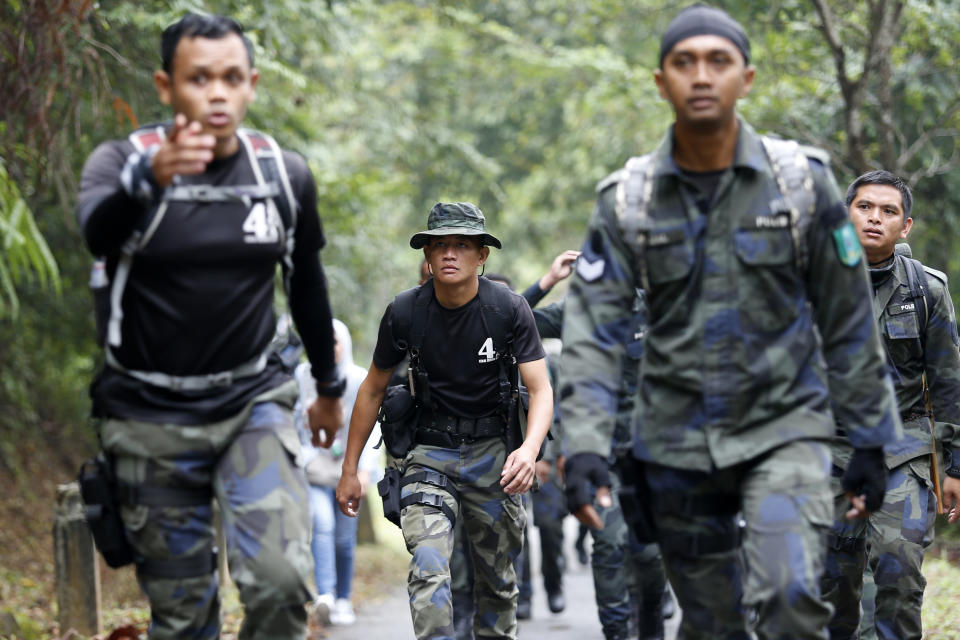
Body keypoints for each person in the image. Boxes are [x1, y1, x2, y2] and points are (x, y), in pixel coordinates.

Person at [558, 5, 902, 639]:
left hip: (785, 431)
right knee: (712, 623)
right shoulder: (628, 200)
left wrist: (874, 441)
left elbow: (848, 317)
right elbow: (591, 338)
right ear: (661, 82)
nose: (701, 76)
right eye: (684, 63)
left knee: (791, 597)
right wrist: (581, 445)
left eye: (718, 62)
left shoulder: (801, 183)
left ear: (745, 78)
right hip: (676, 446)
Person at [76, 14, 343, 639]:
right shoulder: (121, 164)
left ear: (251, 84)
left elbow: (305, 281)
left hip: (251, 403)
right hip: (148, 418)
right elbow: (96, 230)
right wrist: (149, 182)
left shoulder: (282, 175)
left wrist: (328, 387)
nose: (216, 94)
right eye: (199, 79)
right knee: (185, 616)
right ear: (166, 87)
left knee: (280, 586)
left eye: (230, 78)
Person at [336, 202, 553, 640]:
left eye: (461, 245)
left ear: (482, 255)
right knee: (430, 568)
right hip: (428, 455)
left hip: (495, 455)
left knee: (497, 584)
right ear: (428, 257)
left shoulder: (508, 310)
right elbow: (372, 389)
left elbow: (542, 389)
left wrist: (528, 450)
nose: (449, 254)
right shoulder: (405, 312)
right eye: (439, 246)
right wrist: (349, 470)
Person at [820, 170, 960, 639]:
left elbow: (948, 384)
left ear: (906, 227)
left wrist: (955, 467)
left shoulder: (927, 290)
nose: (874, 218)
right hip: (827, 447)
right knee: (832, 586)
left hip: (903, 447)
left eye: (888, 211)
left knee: (899, 571)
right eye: (864, 207)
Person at [296, 319, 381, 627]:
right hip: (315, 471)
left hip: (351, 471)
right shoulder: (303, 376)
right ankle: (326, 596)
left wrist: (366, 469)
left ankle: (343, 598)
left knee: (345, 539)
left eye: (334, 341)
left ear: (343, 343)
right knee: (322, 525)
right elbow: (293, 422)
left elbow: (373, 428)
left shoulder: (359, 378)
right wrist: (302, 460)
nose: (329, 347)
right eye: (322, 341)